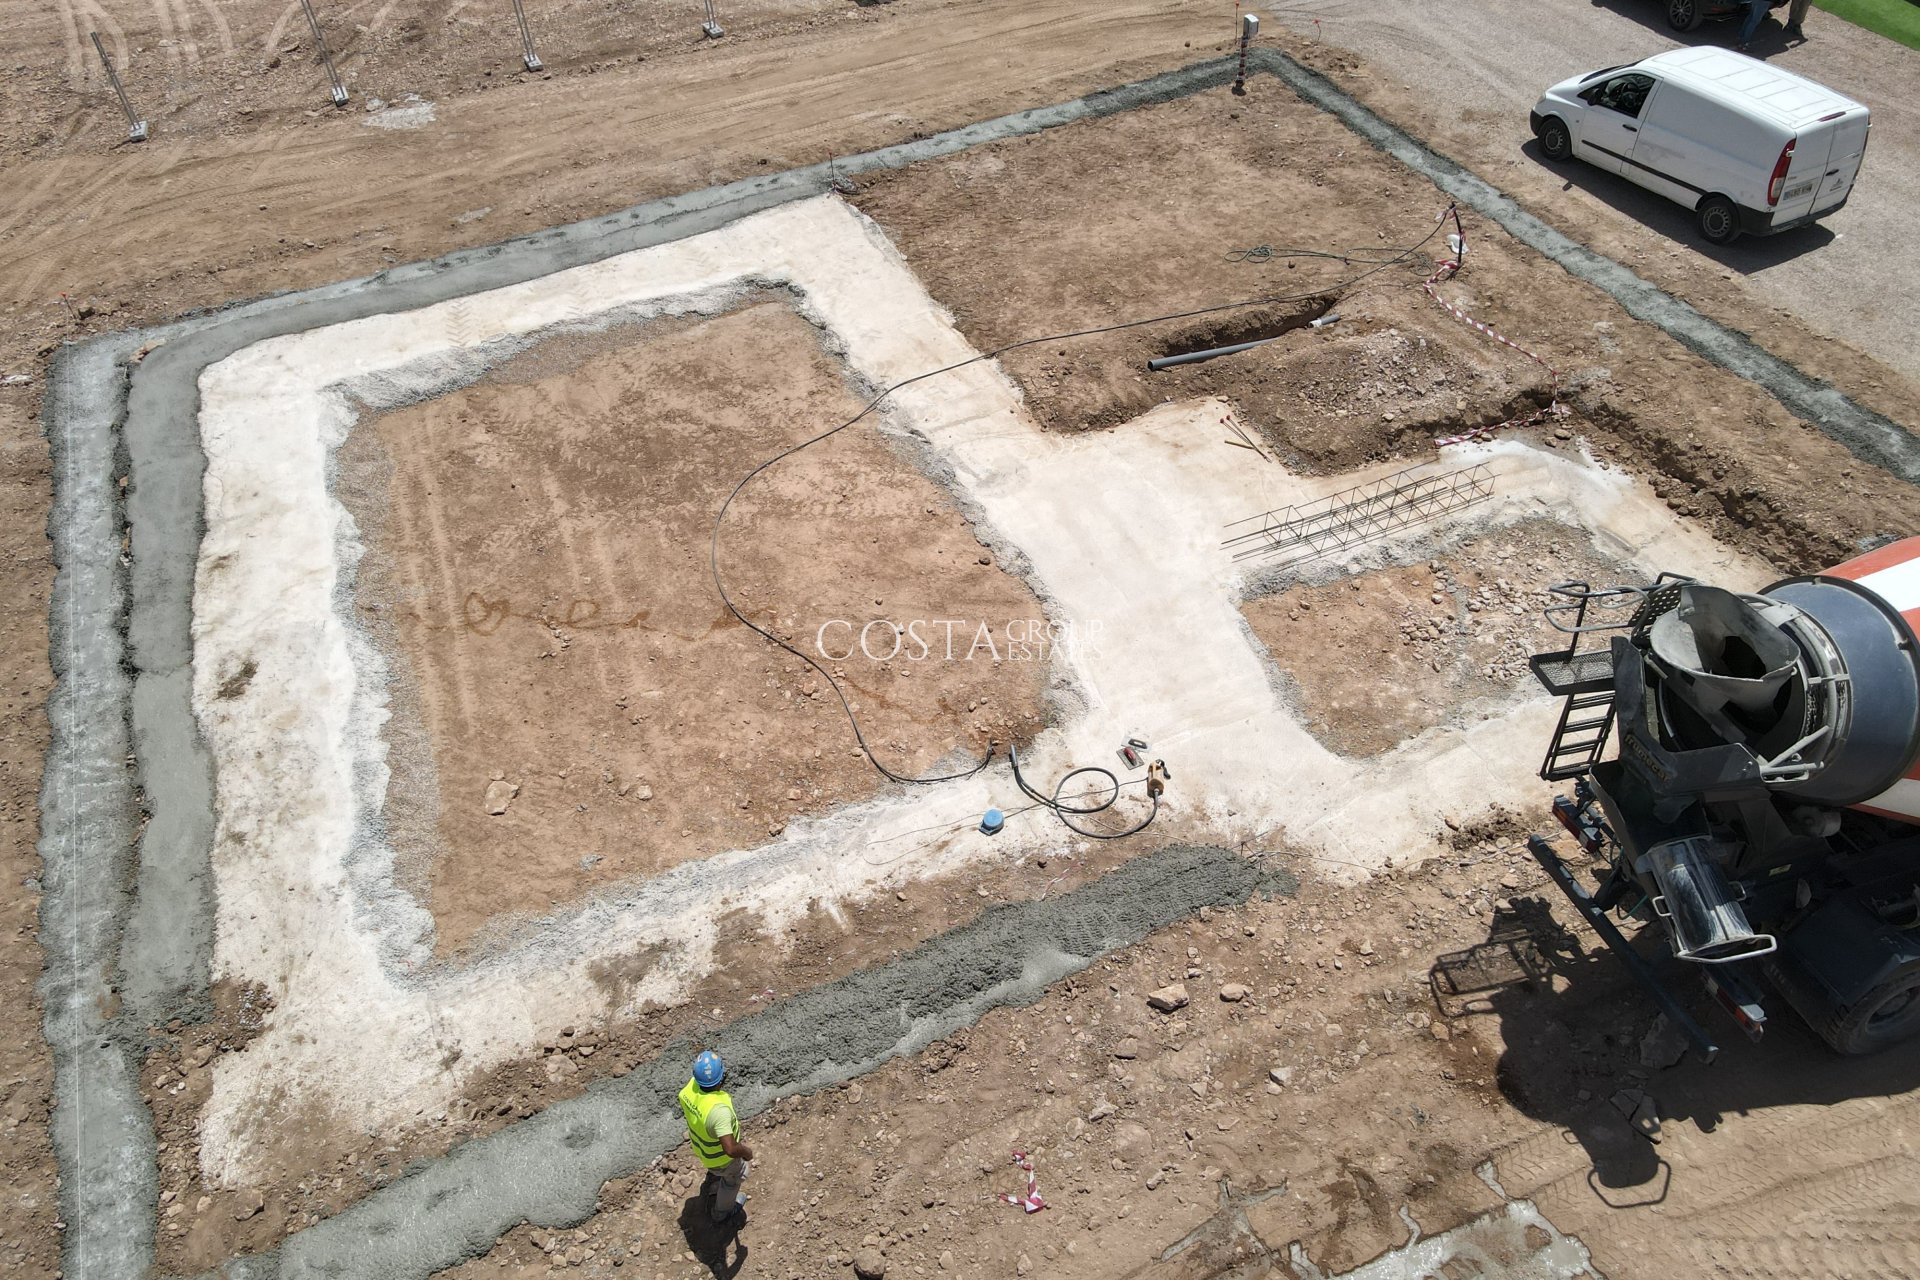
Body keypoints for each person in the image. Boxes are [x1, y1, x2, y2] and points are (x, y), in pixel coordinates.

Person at [678, 1050, 754, 1223]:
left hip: (701, 1148)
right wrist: (746, 1152)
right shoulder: (718, 1111)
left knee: (719, 1171)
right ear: (720, 1079)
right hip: (721, 1159)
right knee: (735, 1178)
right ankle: (722, 1212)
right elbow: (730, 1148)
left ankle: (714, 1177)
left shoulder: (690, 1089)